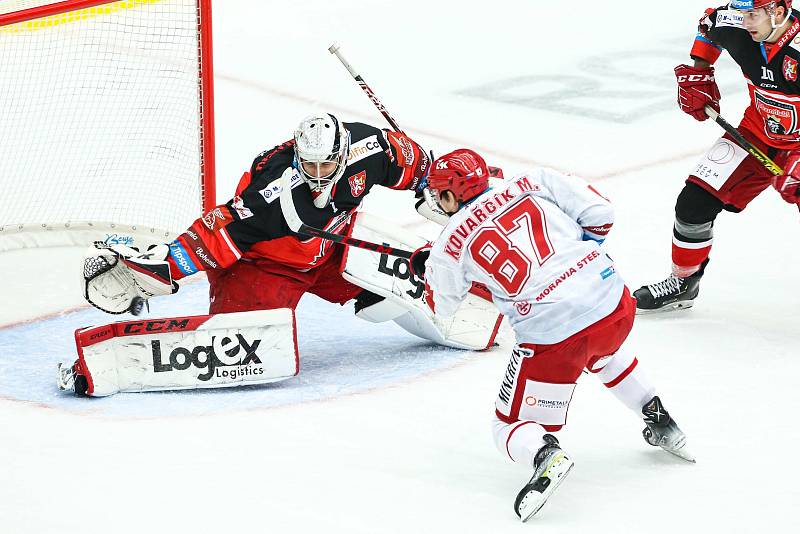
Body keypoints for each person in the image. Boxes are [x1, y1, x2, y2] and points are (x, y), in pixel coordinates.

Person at [410, 149, 692, 521]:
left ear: (448, 196)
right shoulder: (533, 180)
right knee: (602, 351)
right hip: (613, 301)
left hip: (553, 335)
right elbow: (602, 216)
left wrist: (423, 268)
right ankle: (659, 418)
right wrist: (575, 263)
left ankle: (545, 455)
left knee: (506, 425)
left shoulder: (449, 245)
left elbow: (442, 308)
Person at [83, 112, 430, 316]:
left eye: (328, 163)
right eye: (311, 164)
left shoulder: (368, 150)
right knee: (254, 338)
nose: (320, 173)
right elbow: (217, 231)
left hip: (331, 252)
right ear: (297, 155)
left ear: (343, 150)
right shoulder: (273, 193)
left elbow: (408, 159)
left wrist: (433, 181)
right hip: (266, 265)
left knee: (386, 307)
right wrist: (165, 266)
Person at [634, 0, 800, 312]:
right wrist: (701, 73)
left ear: (778, 12)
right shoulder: (735, 23)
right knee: (693, 204)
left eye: (753, 15)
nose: (745, 22)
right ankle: (684, 282)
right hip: (756, 134)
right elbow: (709, 26)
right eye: (743, 14)